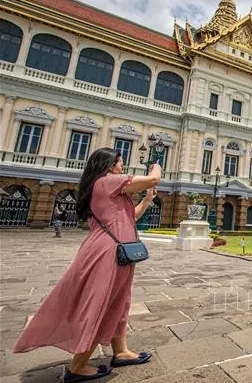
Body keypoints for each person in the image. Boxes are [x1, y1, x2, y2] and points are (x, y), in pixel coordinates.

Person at [12, 147, 162, 382]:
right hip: (108, 252)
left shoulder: (106, 187)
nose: (122, 166)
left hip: (119, 252)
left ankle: (121, 352)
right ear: (109, 165)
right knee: (100, 303)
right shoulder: (107, 181)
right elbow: (153, 178)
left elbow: (130, 217)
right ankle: (78, 366)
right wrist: (157, 161)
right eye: (120, 162)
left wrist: (147, 199)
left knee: (119, 301)